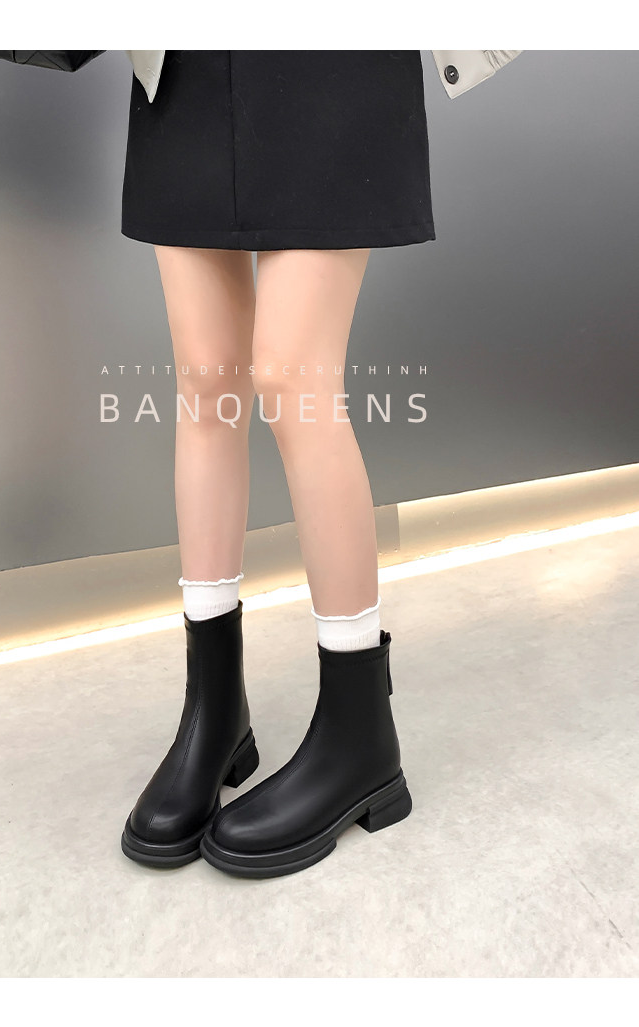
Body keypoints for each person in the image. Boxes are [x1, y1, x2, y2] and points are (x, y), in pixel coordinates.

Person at [117, 51, 454, 879]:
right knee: (205, 380)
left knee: (294, 379)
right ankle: (215, 711)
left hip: (328, 55)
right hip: (191, 63)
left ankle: (358, 733)